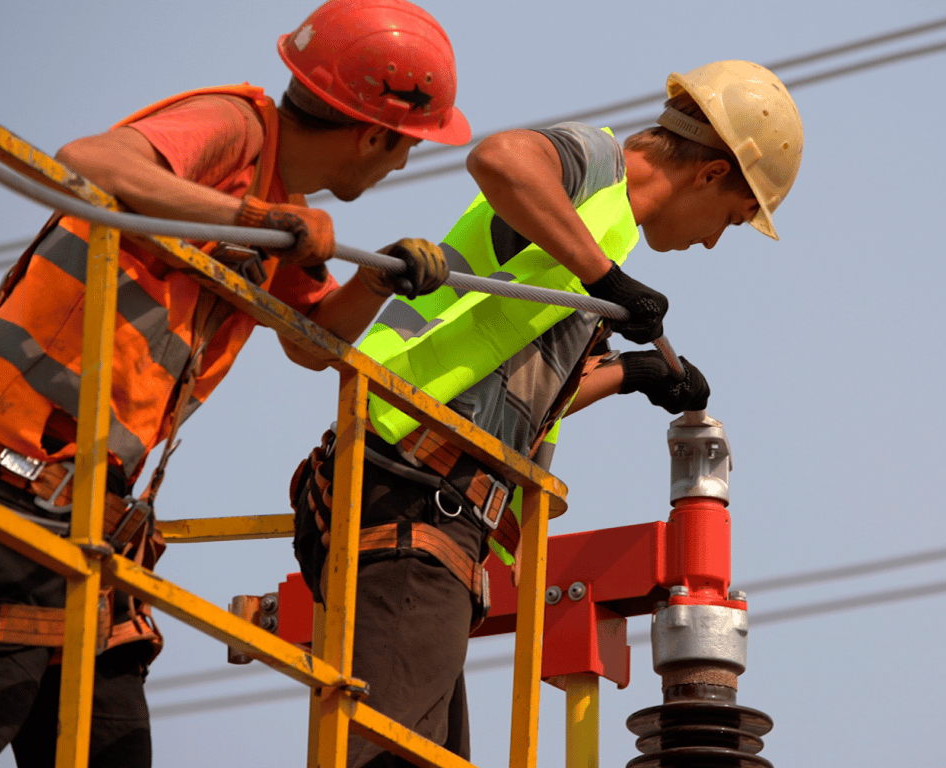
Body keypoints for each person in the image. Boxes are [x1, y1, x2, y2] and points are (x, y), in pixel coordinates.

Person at [0, 1, 470, 766]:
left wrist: (384, 276)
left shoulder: (284, 211)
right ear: (374, 133)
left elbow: (310, 343)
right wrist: (249, 214)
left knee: (112, 745)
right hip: (5, 473)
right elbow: (91, 161)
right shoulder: (236, 129)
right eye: (407, 146)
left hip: (86, 512)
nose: (404, 163)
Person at [289, 60, 804, 767]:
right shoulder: (595, 167)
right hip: (406, 489)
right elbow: (498, 157)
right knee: (386, 756)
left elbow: (512, 383)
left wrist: (630, 374)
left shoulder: (597, 234)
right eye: (733, 219)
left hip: (438, 513)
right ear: (712, 174)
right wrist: (606, 278)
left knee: (428, 756)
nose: (715, 240)